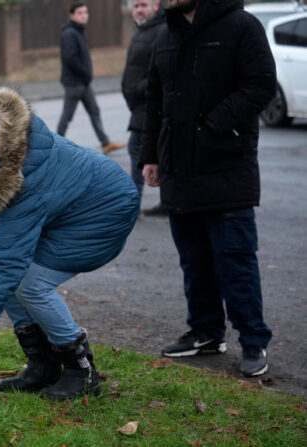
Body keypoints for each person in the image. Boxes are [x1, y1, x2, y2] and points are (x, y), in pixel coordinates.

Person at [0, 79, 139, 400]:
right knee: (13, 276)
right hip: (70, 207)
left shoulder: (17, 182)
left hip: (103, 212)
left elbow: (5, 265)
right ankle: (42, 364)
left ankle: (81, 370)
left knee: (28, 281)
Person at [141, 0, 275, 377]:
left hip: (225, 165)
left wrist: (214, 125)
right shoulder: (164, 34)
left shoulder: (241, 25)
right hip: (178, 169)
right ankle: (205, 332)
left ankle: (253, 340)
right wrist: (150, 155)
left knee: (234, 259)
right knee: (194, 259)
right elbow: (154, 97)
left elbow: (261, 84)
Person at [56, 2, 124, 154]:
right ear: (72, 15)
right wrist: (86, 74)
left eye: (85, 12)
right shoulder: (70, 33)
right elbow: (70, 59)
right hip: (74, 83)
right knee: (67, 116)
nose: (84, 16)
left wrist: (86, 77)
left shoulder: (78, 31)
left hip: (83, 83)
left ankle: (105, 142)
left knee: (94, 111)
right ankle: (55, 145)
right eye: (80, 13)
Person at [121, 0, 167, 217]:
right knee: (148, 152)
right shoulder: (143, 30)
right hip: (139, 106)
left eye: (143, 5)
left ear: (156, 5)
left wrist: (139, 89)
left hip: (147, 105)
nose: (139, 10)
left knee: (137, 150)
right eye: (136, 5)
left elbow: (161, 70)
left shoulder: (160, 31)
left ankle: (133, 205)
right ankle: (166, 202)